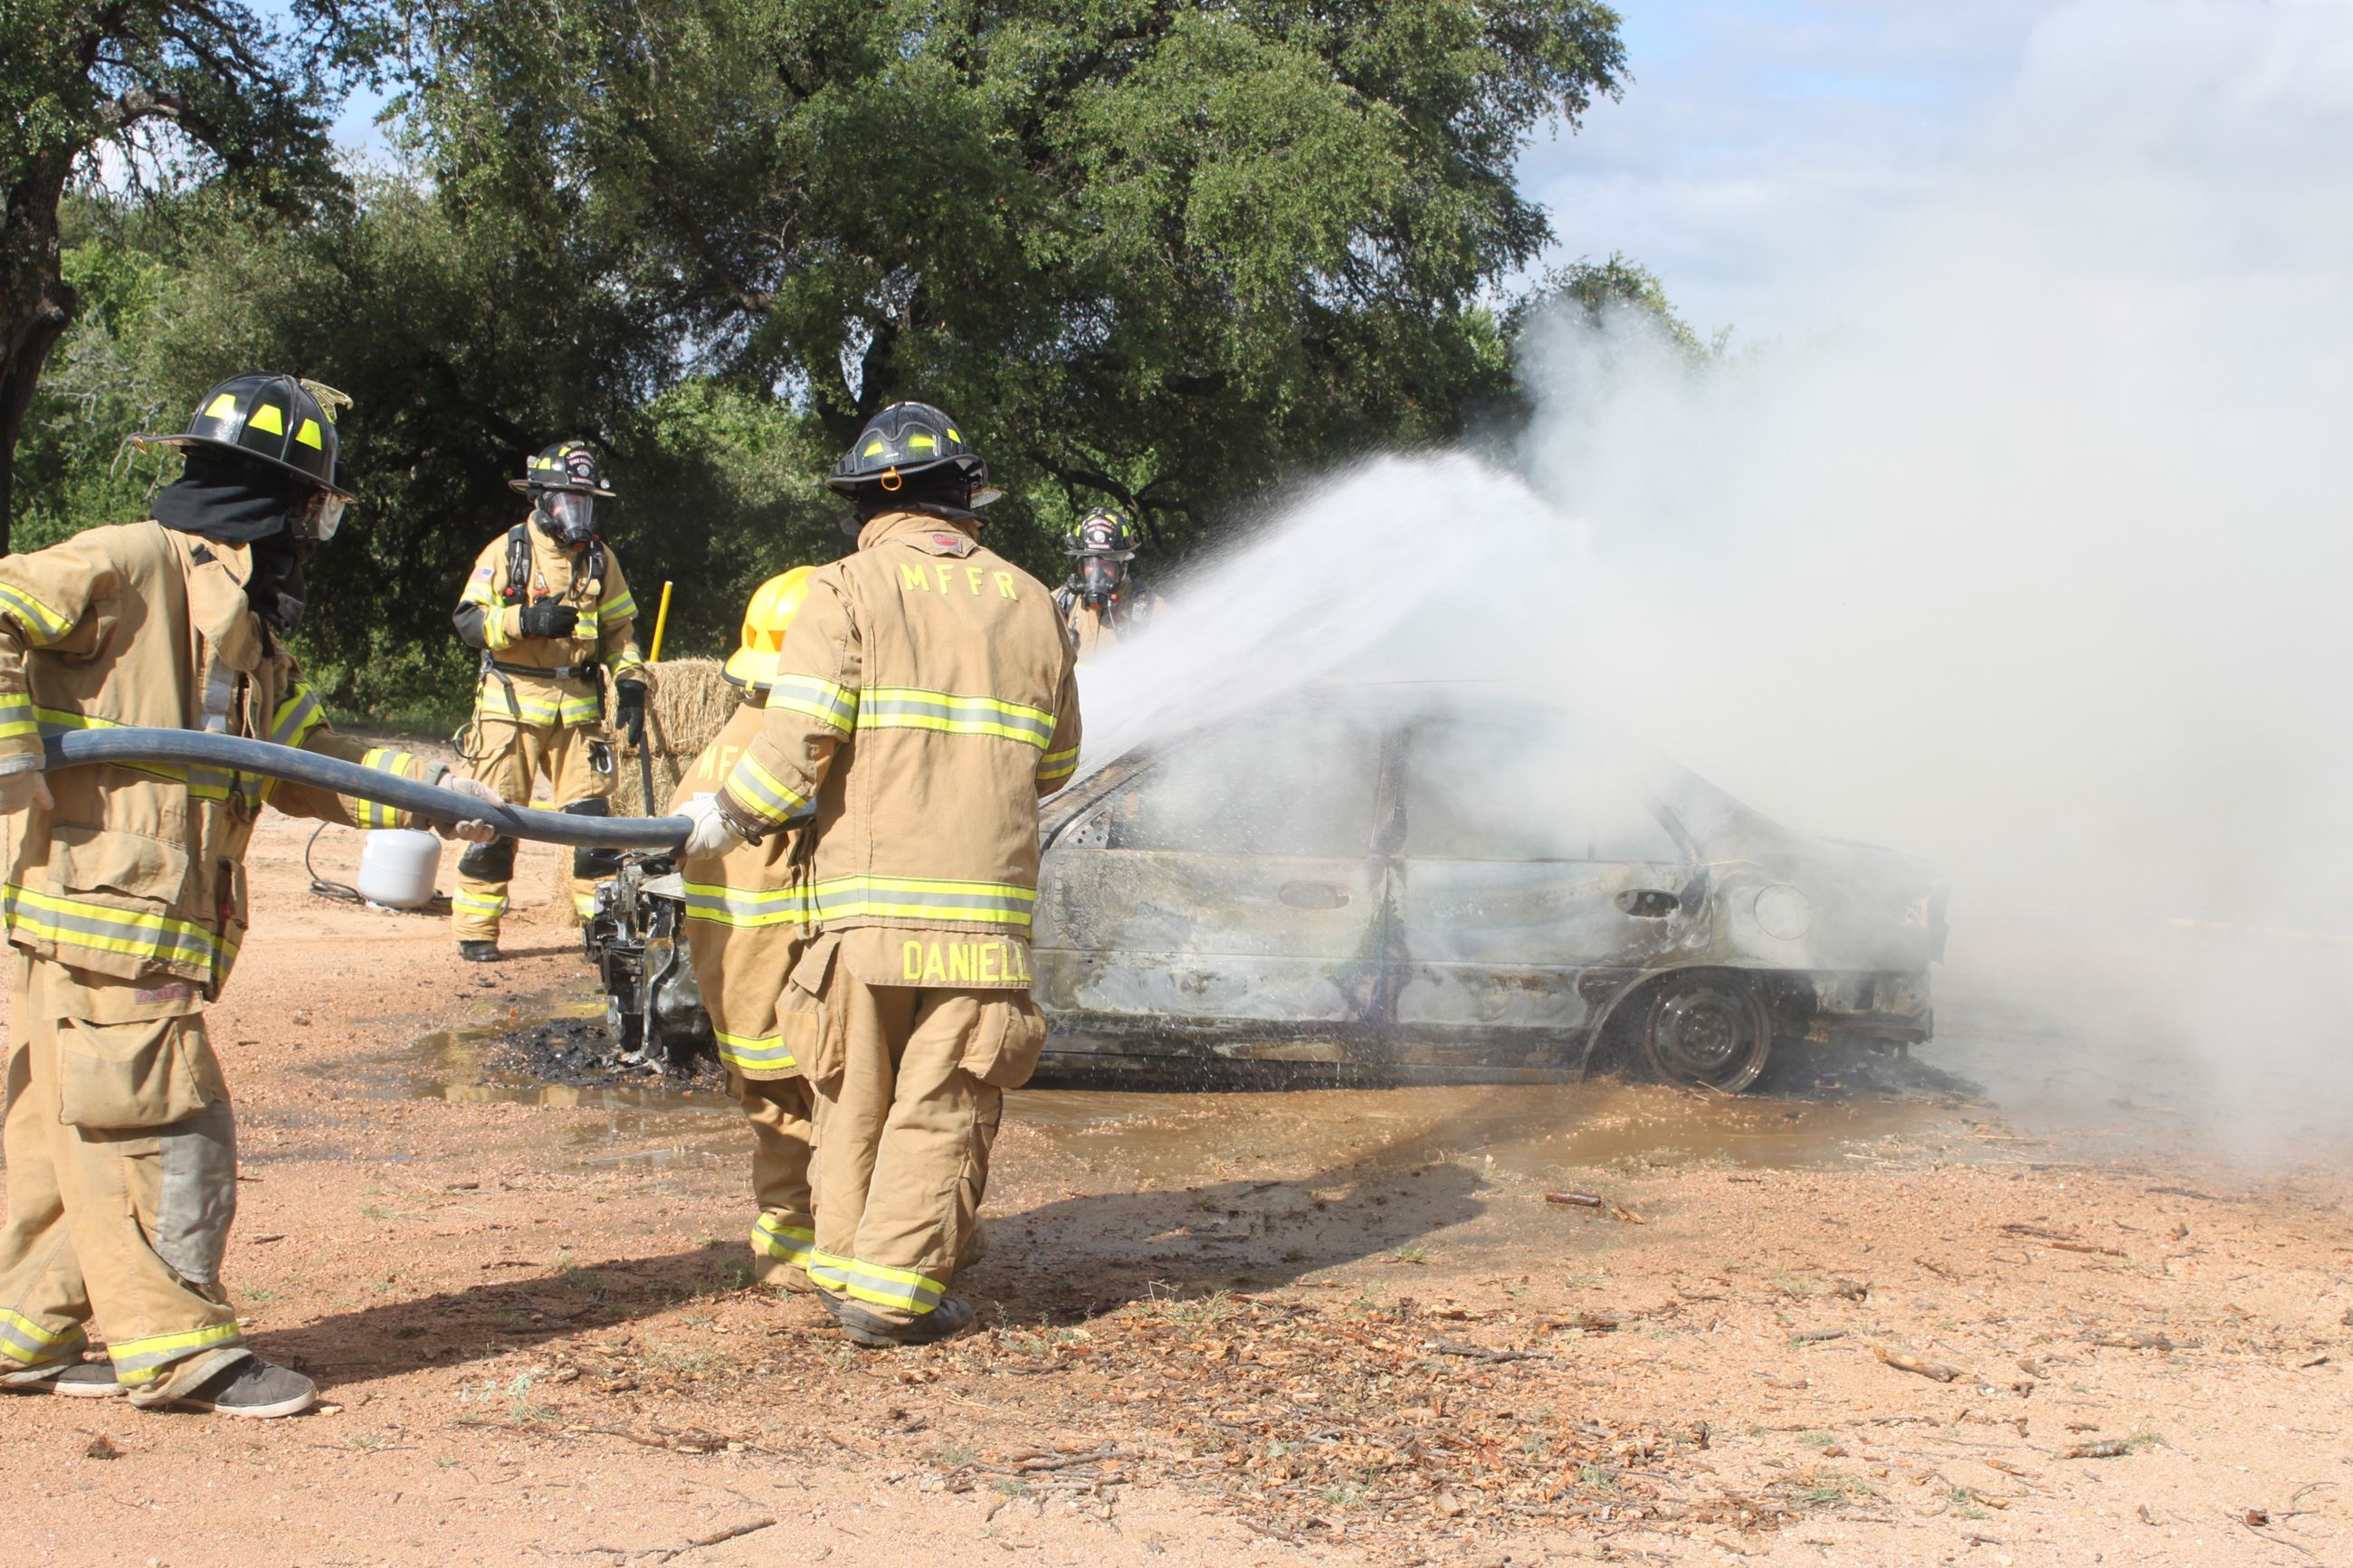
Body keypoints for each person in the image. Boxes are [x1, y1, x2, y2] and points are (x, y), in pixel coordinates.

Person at [0, 374, 500, 1417]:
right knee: (159, 1117)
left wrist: (431, 791)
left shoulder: (245, 631)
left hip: (132, 918)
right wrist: (10, 754)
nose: (312, 537)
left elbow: (307, 755)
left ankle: (22, 1326)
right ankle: (183, 1350)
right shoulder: (130, 565)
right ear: (275, 503)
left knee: (63, 1128)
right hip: (107, 914)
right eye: (313, 510)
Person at [681, 401, 1079, 1346]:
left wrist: (722, 815)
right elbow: (1056, 764)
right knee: (943, 1097)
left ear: (867, 506)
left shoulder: (843, 586)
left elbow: (798, 744)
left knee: (850, 1092)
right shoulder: (1033, 600)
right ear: (967, 507)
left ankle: (852, 1273)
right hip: (981, 919)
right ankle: (891, 1290)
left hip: (858, 914)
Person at [671, 566, 820, 1286]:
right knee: (812, 1115)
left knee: (774, 1117)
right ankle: (797, 1252)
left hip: (731, 980)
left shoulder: (722, 743)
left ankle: (786, 1241)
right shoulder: (797, 753)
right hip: (786, 979)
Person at [450, 442, 651, 961]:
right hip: (510, 707)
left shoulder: (601, 560)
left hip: (578, 708)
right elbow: (468, 622)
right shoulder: (507, 551)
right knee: (491, 822)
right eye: (566, 501)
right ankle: (476, 931)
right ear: (541, 499)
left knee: (593, 829)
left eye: (584, 503)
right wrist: (525, 622)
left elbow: (622, 633)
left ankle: (600, 929)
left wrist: (631, 684)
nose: (576, 514)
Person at [1052, 507, 1162, 667]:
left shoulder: (1153, 611)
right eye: (1090, 562)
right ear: (1078, 564)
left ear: (1123, 566)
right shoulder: (1056, 605)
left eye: (1107, 562)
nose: (1098, 572)